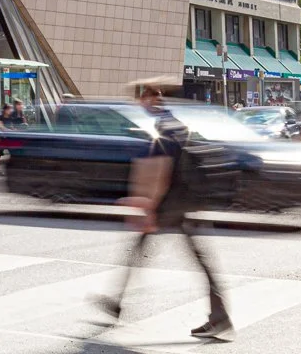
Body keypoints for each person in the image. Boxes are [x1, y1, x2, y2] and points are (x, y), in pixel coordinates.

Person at [97, 80, 231, 340]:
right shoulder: (175, 122)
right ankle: (219, 316)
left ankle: (117, 303)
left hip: (172, 202)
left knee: (144, 250)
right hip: (185, 200)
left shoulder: (163, 126)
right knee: (190, 257)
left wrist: (149, 208)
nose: (140, 105)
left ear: (147, 99)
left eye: (141, 99)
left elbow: (162, 171)